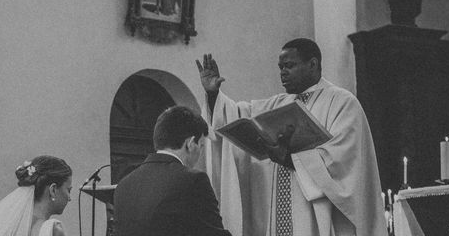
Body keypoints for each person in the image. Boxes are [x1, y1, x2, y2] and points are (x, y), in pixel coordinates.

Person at [197, 39, 388, 236]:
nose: (283, 72)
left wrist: (289, 159)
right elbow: (235, 116)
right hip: (276, 214)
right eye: (280, 67)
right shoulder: (278, 103)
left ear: (312, 64)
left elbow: (344, 161)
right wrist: (213, 95)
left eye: (289, 66)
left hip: (316, 216)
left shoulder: (342, 102)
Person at [113, 105, 232, 236]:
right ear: (191, 144)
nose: (201, 152)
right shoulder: (193, 181)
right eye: (201, 146)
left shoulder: (123, 185)